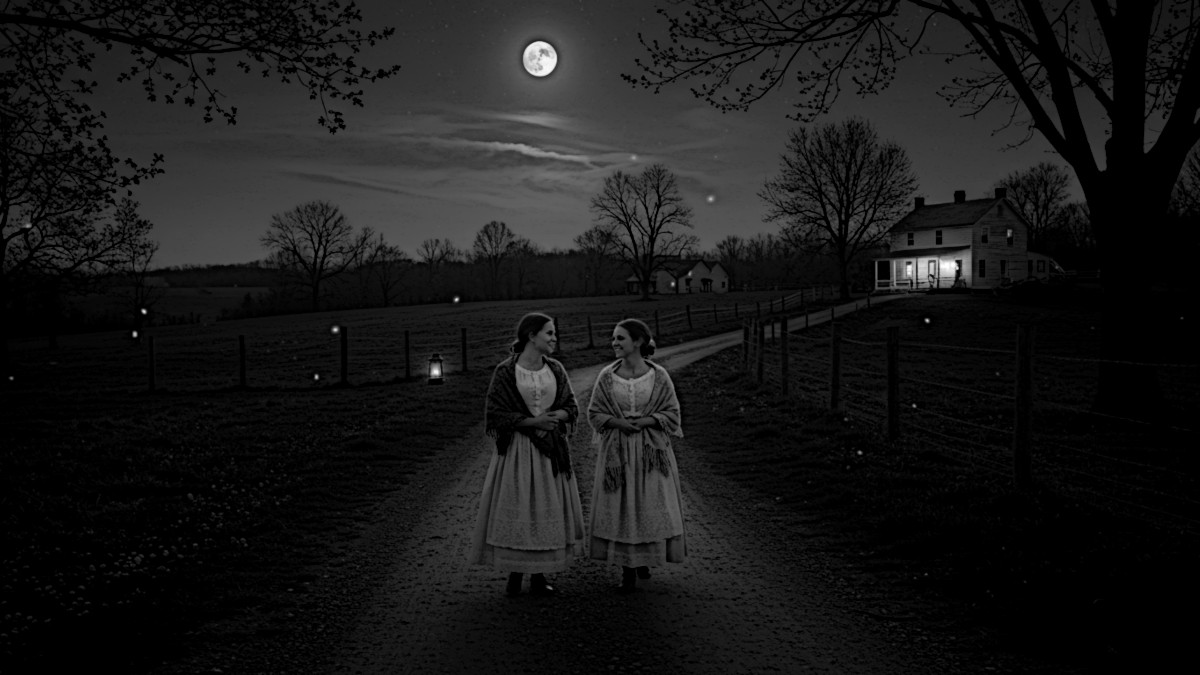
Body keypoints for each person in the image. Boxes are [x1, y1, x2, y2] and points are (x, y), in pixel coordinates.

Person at [468, 312, 585, 596]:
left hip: (550, 452)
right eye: (549, 333)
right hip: (519, 451)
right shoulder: (506, 372)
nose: (554, 338)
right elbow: (496, 414)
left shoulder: (555, 369)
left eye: (554, 333)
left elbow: (571, 406)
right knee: (521, 508)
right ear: (531, 336)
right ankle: (514, 574)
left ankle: (538, 575)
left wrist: (557, 415)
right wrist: (534, 423)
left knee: (544, 511)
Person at [587, 318, 686, 593]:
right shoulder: (607, 376)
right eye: (614, 338)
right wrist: (617, 423)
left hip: (650, 449)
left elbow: (673, 414)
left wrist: (647, 421)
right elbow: (594, 413)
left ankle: (643, 557)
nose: (614, 343)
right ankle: (627, 568)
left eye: (620, 338)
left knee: (647, 505)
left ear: (638, 342)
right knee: (623, 506)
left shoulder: (659, 376)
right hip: (618, 450)